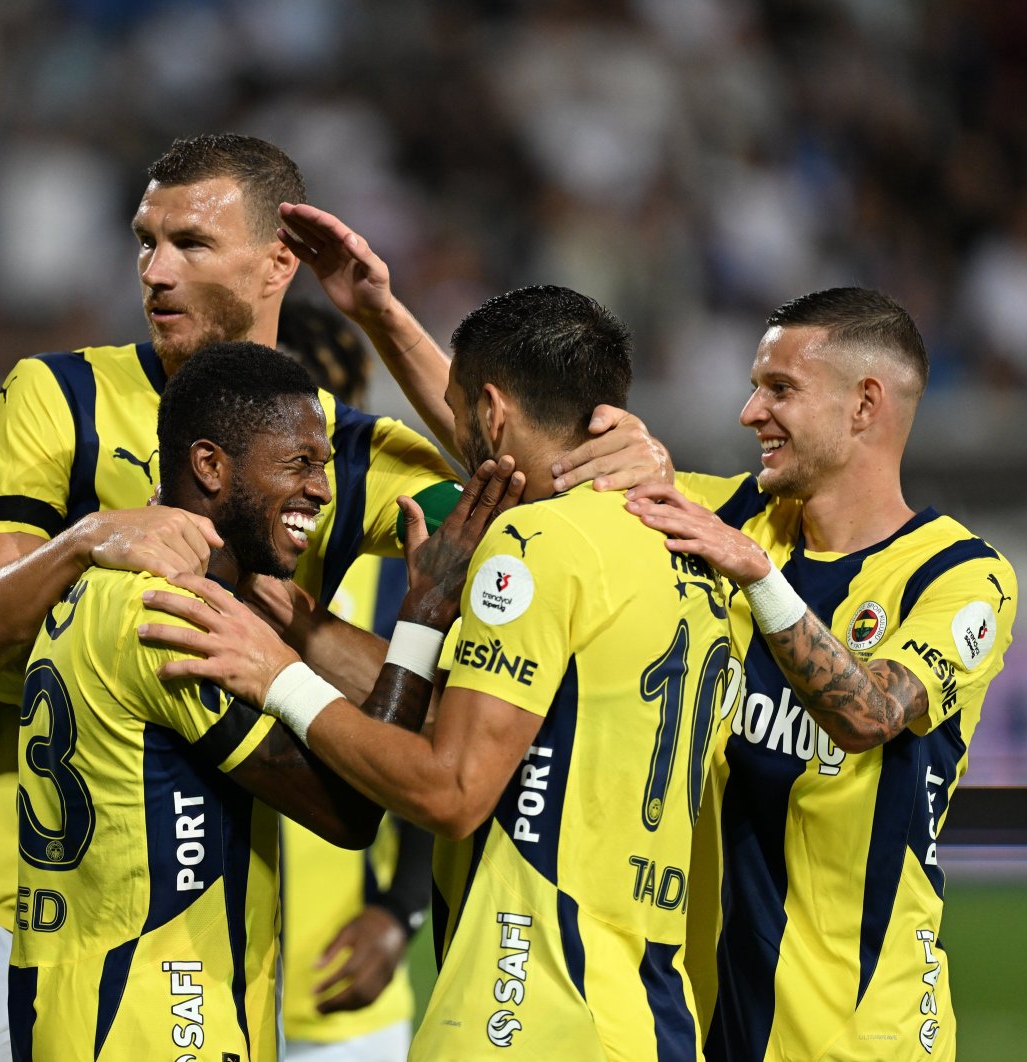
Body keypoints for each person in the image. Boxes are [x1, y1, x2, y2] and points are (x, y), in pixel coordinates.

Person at [0, 133, 472, 1060]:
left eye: (192, 245)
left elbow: (516, 481)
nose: (154, 271)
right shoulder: (62, 395)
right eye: (144, 240)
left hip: (206, 899)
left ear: (278, 261)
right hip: (13, 882)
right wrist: (90, 540)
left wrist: (382, 315)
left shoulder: (341, 452)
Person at [143, 285, 735, 1059]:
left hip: (524, 1008)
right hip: (649, 1011)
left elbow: (451, 788)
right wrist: (303, 622)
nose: (458, 437)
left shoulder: (532, 547)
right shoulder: (696, 548)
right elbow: (460, 725)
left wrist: (279, 676)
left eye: (457, 414)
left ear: (492, 413)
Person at [8, 341, 520, 1061]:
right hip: (155, 1013)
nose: (322, 488)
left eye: (324, 466)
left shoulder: (104, 587)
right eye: (299, 463)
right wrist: (422, 618)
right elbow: (350, 811)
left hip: (89, 1001)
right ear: (211, 466)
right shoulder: (172, 615)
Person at [622, 288, 1019, 1060]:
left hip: (860, 1037)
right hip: (705, 1026)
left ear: (864, 404)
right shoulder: (734, 518)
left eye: (779, 389)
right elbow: (532, 455)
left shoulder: (961, 577)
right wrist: (383, 316)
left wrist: (759, 577)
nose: (749, 413)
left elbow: (870, 715)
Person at [275, 302, 431, 1062]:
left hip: (337, 986)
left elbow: (451, 747)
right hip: (196, 973)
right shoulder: (191, 551)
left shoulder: (401, 575)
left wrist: (400, 913)